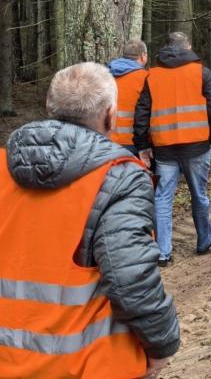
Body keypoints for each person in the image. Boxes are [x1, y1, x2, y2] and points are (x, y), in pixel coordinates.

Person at [0, 63, 180, 377]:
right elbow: (130, 280)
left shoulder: (3, 167)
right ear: (111, 115)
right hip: (87, 364)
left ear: (50, 107)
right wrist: (161, 345)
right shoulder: (120, 177)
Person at [134, 31, 211, 267]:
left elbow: (142, 114)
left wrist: (143, 145)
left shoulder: (152, 76)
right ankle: (204, 239)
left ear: (167, 48)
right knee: (199, 194)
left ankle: (163, 252)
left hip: (164, 148)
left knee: (163, 198)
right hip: (197, 146)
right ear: (189, 47)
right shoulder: (201, 72)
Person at [108, 39, 149, 154]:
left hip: (106, 139)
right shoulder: (146, 78)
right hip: (133, 141)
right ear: (143, 56)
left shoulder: (105, 74)